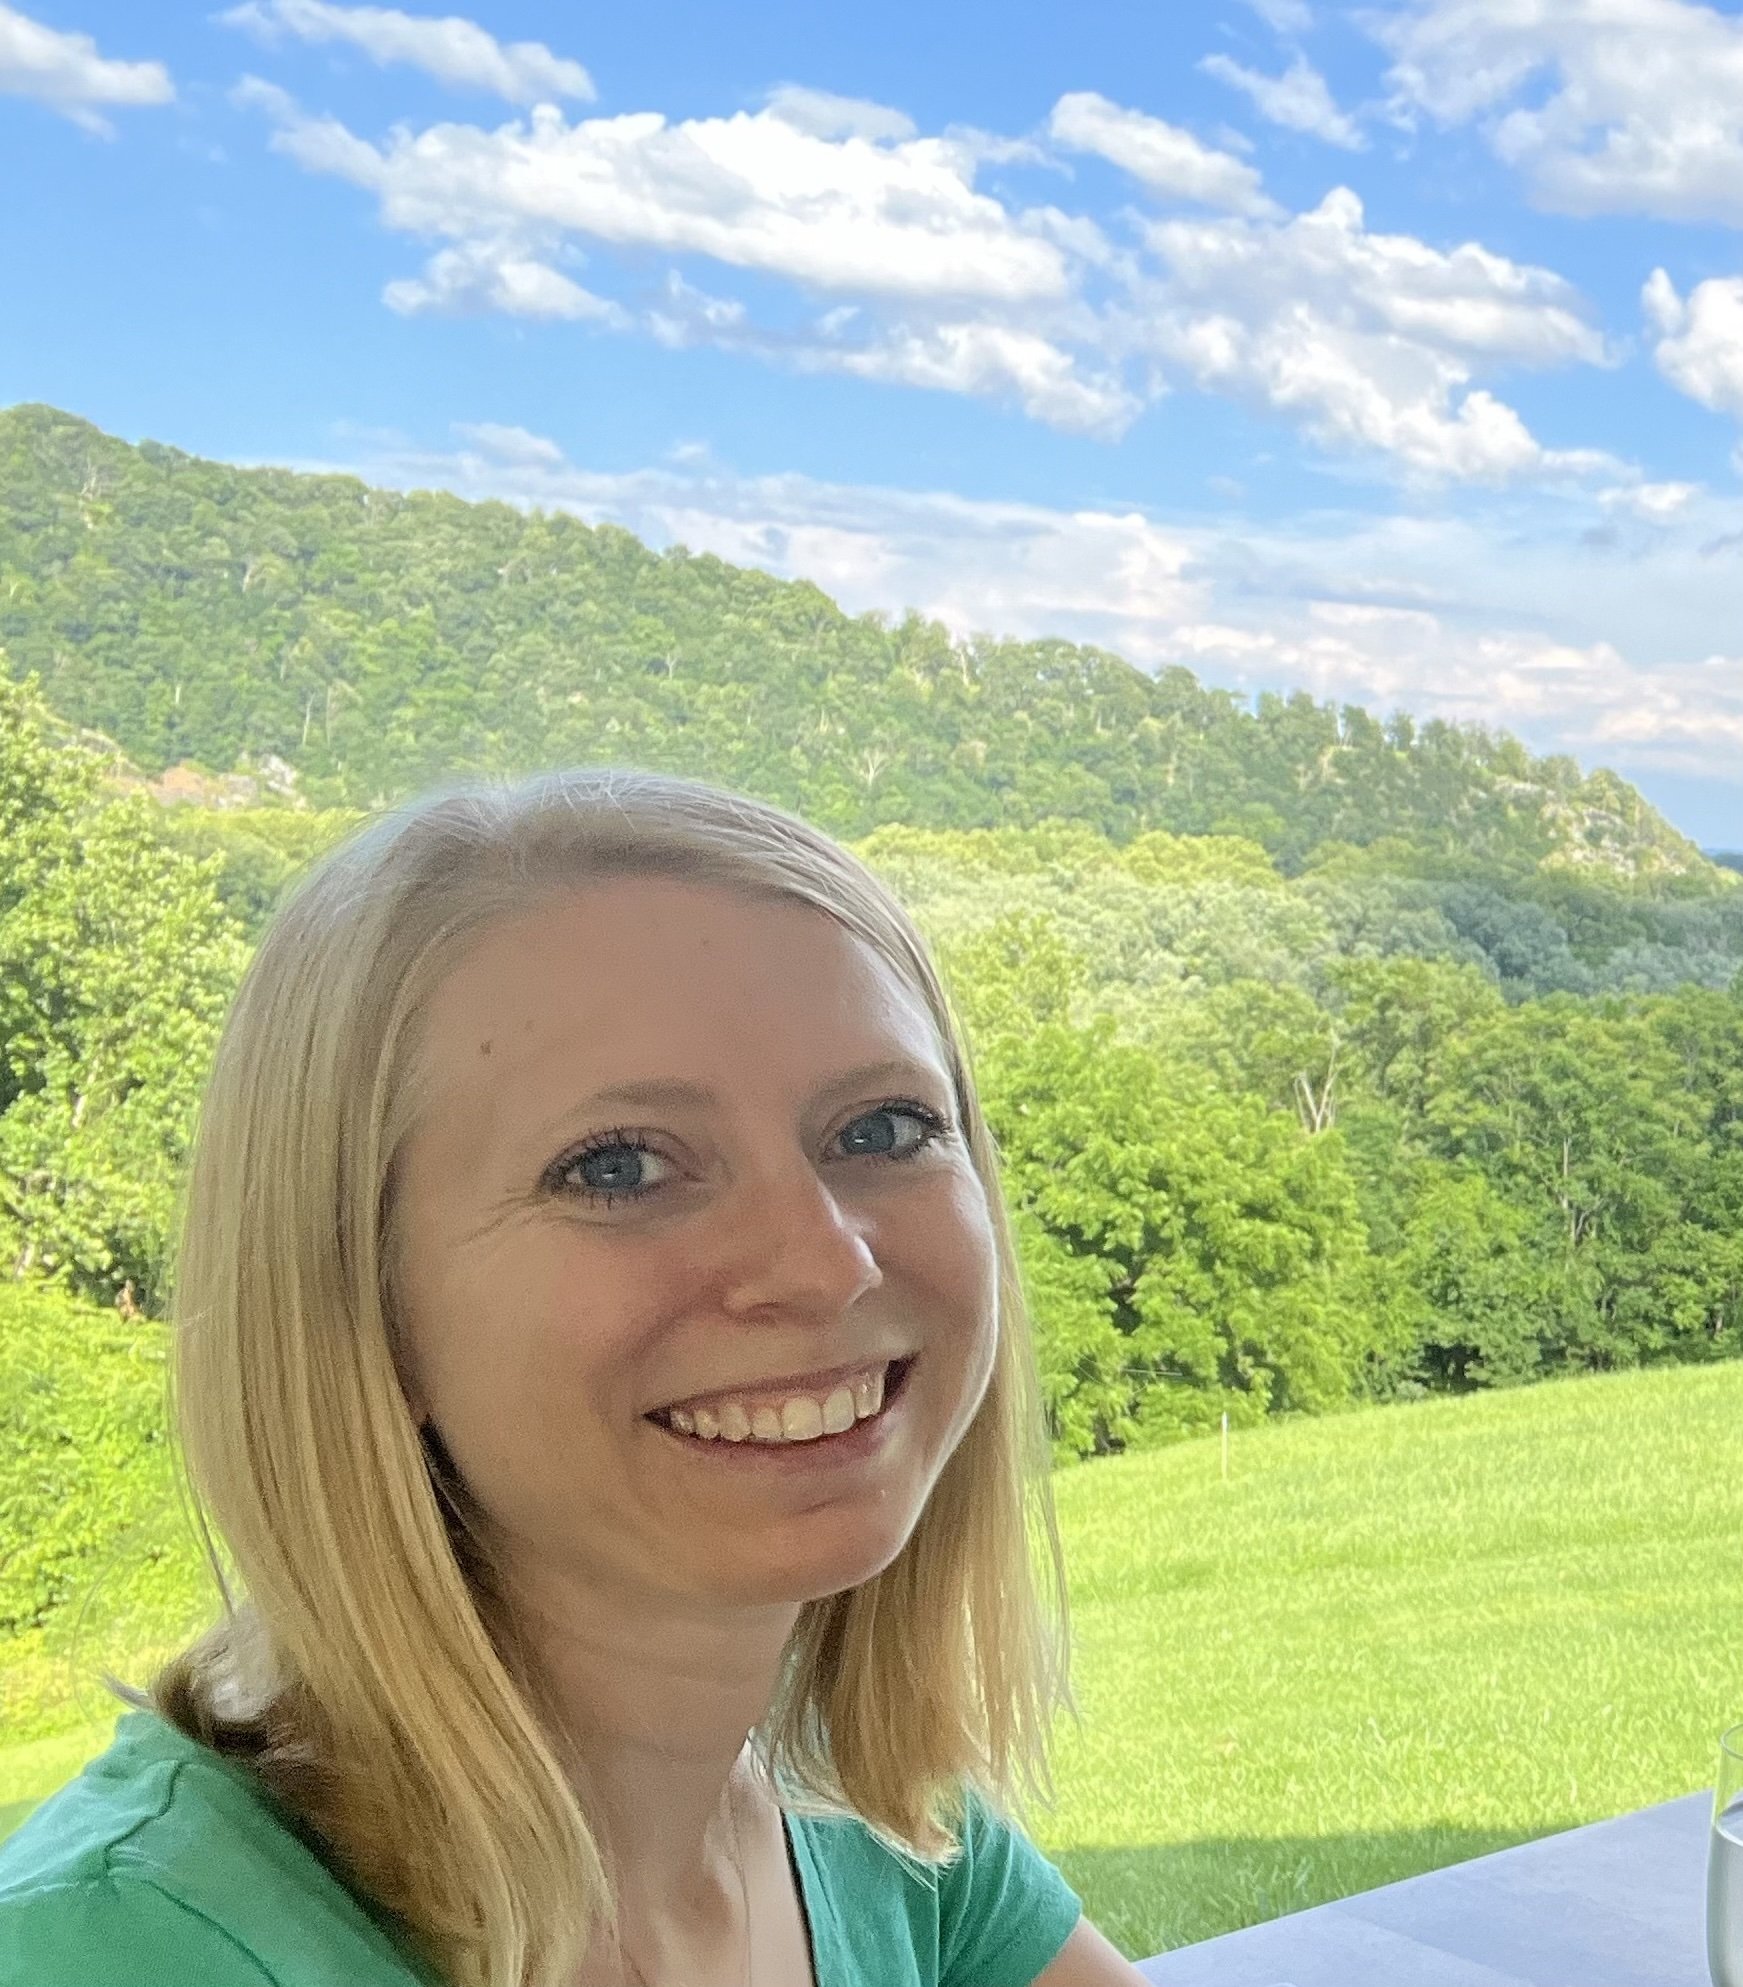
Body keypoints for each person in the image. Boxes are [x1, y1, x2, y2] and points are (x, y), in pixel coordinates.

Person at [0, 769, 1148, 1987]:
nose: (823, 1263)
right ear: (363, 1309)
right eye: (617, 1167)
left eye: (882, 1130)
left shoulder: (886, 1835)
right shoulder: (113, 1949)